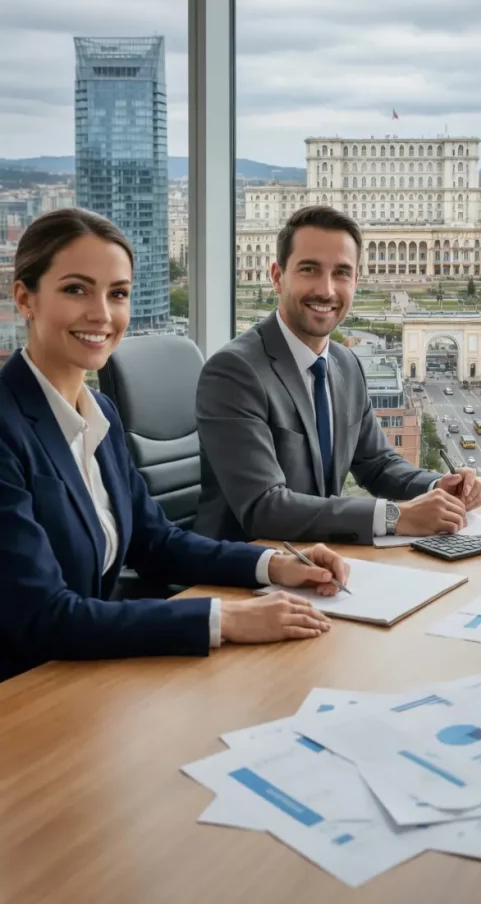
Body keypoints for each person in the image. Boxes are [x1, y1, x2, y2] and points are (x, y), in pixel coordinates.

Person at [0, 208, 348, 683]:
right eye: (75, 289)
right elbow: (44, 616)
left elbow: (156, 542)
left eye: (117, 294)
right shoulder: (6, 425)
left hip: (85, 676)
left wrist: (277, 566)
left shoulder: (98, 412)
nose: (102, 314)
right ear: (26, 298)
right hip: (24, 695)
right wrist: (223, 619)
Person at [195, 205, 481, 546]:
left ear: (356, 282)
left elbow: (376, 463)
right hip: (245, 576)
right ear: (277, 276)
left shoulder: (345, 363)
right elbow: (265, 507)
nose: (327, 290)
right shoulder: (234, 372)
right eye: (309, 269)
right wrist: (396, 516)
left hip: (322, 561)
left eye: (342, 273)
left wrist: (438, 487)